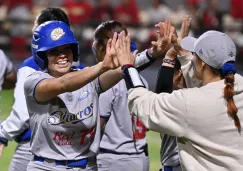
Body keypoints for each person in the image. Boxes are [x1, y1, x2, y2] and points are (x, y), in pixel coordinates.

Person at [118, 29, 243, 171]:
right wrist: (182, 53)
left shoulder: (189, 103)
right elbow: (208, 81)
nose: (193, 58)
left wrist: (128, 67)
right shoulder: (236, 86)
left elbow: (142, 103)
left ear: (202, 64)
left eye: (194, 55)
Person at [0, 7, 84, 171]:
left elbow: (22, 113)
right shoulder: (79, 69)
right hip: (72, 149)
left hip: (34, 147)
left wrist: (2, 135)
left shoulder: (32, 64)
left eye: (35, 25)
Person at [92, 21, 149, 171]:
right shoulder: (140, 79)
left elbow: (96, 126)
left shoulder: (107, 83)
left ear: (101, 47)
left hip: (113, 159)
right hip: (141, 158)